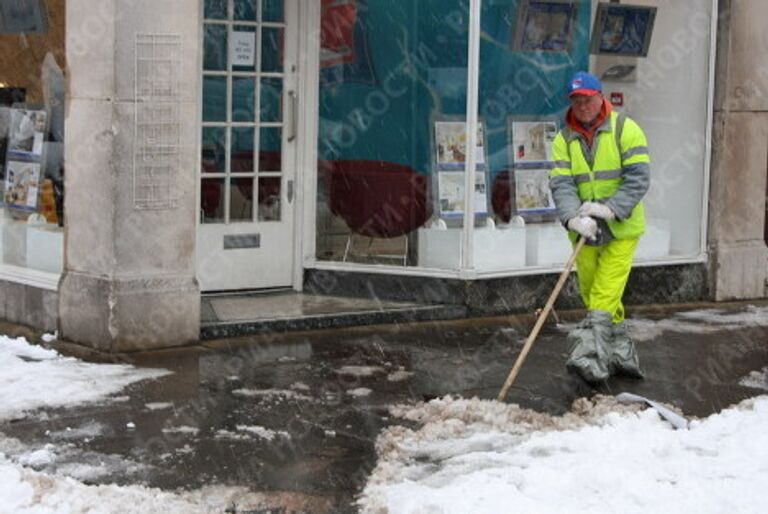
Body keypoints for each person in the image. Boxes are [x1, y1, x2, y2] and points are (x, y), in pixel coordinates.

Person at [549, 71, 650, 383]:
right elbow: (561, 184)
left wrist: (610, 208)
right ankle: (621, 353)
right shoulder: (563, 139)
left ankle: (589, 356)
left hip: (621, 228)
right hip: (585, 232)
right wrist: (572, 218)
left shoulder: (625, 129)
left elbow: (639, 178)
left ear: (600, 97)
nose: (582, 105)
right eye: (576, 100)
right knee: (593, 292)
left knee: (604, 293)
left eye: (588, 99)